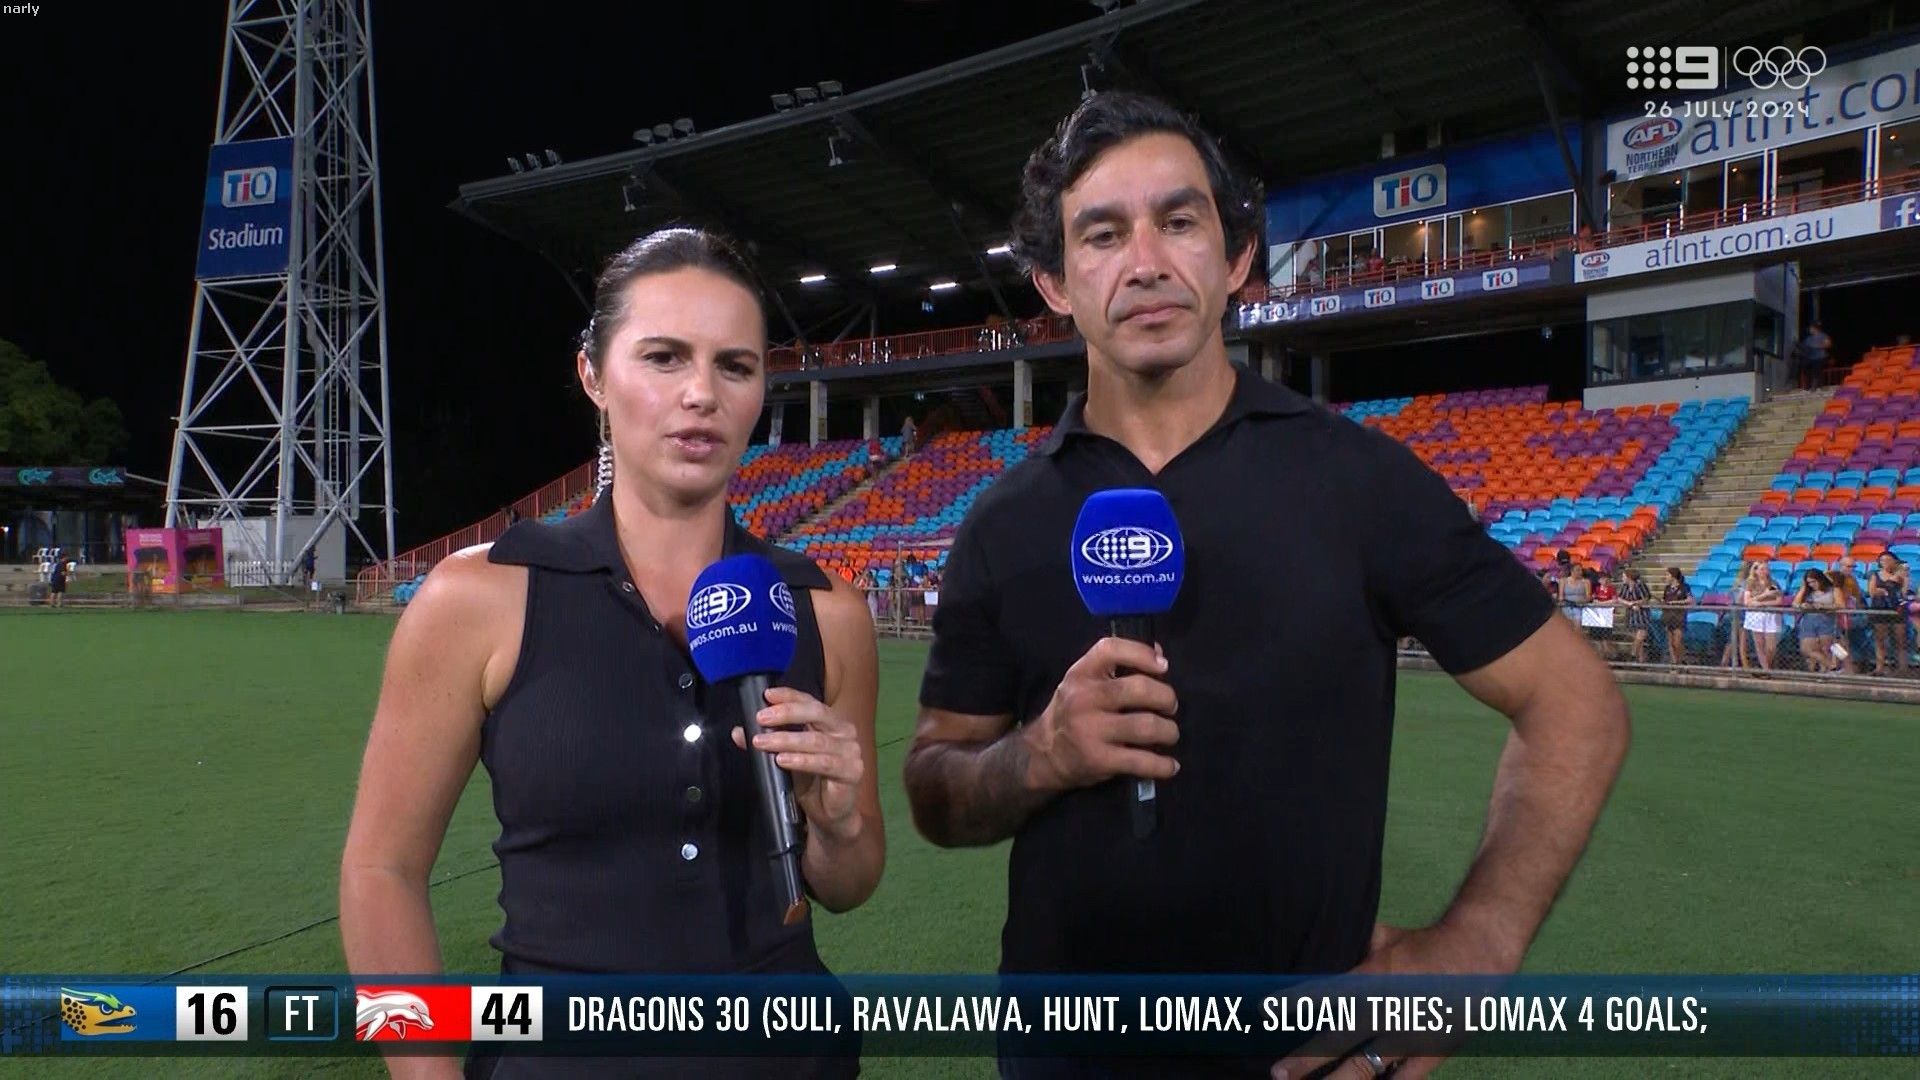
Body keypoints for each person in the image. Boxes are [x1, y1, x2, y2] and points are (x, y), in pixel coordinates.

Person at [900, 91, 1629, 1080]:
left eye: (1180, 221)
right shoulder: (1004, 523)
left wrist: (1479, 941)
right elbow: (937, 787)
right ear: (1055, 283)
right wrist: (1037, 756)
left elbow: (1574, 702)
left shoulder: (1359, 481)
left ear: (1237, 255)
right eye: (1103, 235)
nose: (1146, 262)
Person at [339, 228, 882, 1080]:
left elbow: (848, 884)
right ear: (593, 375)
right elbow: (381, 871)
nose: (701, 393)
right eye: (664, 357)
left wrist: (840, 823)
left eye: (735, 366)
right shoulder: (478, 598)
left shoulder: (827, 611)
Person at [1868, 552, 1911, 674]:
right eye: (1882, 560)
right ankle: (1880, 667)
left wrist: (1903, 579)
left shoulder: (1900, 575)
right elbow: (1872, 592)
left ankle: (1903, 668)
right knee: (1880, 639)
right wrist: (1883, 590)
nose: (1885, 563)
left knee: (1900, 639)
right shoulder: (1875, 575)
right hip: (1879, 608)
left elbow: (1903, 593)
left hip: (1896, 609)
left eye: (1888, 560)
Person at [1793, 569, 1841, 673]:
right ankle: (1832, 667)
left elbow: (1840, 605)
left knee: (1826, 648)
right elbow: (1795, 603)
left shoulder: (1832, 590)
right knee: (1806, 649)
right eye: (1809, 582)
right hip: (1809, 622)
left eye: (1814, 582)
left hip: (1826, 621)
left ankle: (1825, 672)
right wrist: (1803, 604)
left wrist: (1823, 606)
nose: (1811, 585)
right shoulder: (1807, 591)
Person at [1742, 563, 1784, 674]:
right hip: (1755, 616)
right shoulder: (1751, 584)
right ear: (1756, 571)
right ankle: (1766, 670)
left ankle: (1766, 667)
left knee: (1771, 647)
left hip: (1771, 615)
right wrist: (1764, 595)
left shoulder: (1773, 584)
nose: (1764, 571)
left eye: (1766, 569)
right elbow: (1747, 602)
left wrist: (1761, 603)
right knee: (1759, 644)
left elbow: (1778, 601)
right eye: (1761, 569)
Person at [1659, 567, 1692, 666]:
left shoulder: (1684, 587)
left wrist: (1675, 603)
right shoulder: (1667, 588)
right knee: (1670, 642)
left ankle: (1681, 660)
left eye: (1667, 575)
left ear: (1673, 576)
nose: (1666, 577)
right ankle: (1674, 663)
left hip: (1679, 616)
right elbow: (1664, 600)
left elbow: (1689, 600)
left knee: (1677, 642)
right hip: (1668, 616)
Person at [1618, 567, 1652, 662]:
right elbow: (1620, 598)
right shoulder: (1625, 586)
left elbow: (1646, 598)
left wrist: (1636, 603)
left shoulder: (1640, 585)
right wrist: (1629, 603)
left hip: (1641, 614)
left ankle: (1632, 655)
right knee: (1636, 637)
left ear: (1629, 577)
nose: (1622, 578)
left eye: (1624, 576)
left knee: (1640, 636)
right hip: (1631, 613)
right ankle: (1640, 660)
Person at [1797, 321, 1832, 389]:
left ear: (1815, 328)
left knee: (1816, 371)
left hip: (1819, 357)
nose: (1810, 330)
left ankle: (1815, 387)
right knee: (1805, 367)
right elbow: (1804, 347)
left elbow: (1828, 344)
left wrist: (1816, 346)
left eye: (1811, 328)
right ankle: (1808, 386)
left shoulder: (1823, 336)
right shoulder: (1808, 339)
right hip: (1810, 357)